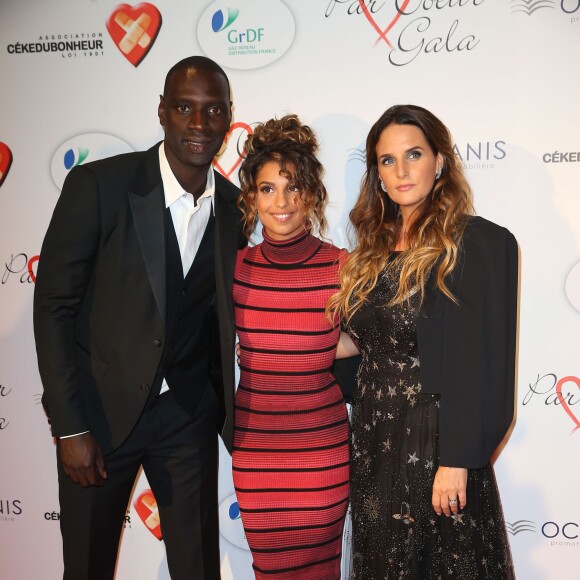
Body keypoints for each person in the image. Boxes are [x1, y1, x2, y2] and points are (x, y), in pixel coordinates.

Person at [33, 56, 244, 579]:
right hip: (99, 420)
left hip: (187, 417)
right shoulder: (99, 186)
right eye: (184, 108)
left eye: (212, 110)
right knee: (88, 567)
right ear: (162, 112)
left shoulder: (237, 208)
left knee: (197, 569)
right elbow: (54, 307)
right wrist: (70, 427)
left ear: (228, 119)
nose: (198, 124)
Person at [328, 104, 517, 579]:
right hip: (373, 436)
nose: (402, 170)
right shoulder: (369, 250)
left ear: (440, 161)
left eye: (414, 154)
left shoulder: (473, 243)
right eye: (387, 160)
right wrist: (279, 346)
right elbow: (364, 342)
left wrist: (456, 460)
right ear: (377, 173)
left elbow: (482, 360)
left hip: (433, 438)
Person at [232, 115, 350, 579]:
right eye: (267, 189)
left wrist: (314, 350)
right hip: (256, 451)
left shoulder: (342, 267)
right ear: (251, 197)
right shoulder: (235, 269)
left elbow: (378, 337)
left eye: (294, 188)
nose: (281, 202)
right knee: (270, 570)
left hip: (320, 450)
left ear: (313, 196)